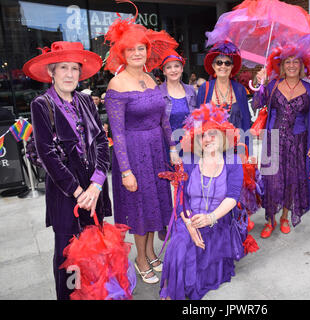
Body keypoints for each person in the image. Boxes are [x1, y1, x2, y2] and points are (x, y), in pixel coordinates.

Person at [23, 41, 111, 299]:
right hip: (65, 196)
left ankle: (93, 294)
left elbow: (103, 143)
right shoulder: (41, 105)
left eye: (75, 68)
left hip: (95, 192)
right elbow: (47, 155)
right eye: (64, 67)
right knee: (70, 257)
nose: (70, 74)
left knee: (94, 251)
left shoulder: (87, 101)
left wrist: (96, 185)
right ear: (52, 71)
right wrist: (78, 192)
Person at [103, 0, 179, 284]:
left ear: (147, 51)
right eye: (131, 49)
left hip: (156, 149)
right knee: (139, 207)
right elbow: (117, 132)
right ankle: (140, 258)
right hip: (133, 152)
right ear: (122, 53)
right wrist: (125, 170)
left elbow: (163, 119)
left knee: (155, 204)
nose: (137, 53)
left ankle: (150, 251)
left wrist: (172, 147)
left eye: (141, 48)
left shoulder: (150, 78)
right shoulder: (116, 84)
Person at [159, 103, 243, 300]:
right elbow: (180, 197)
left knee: (200, 263)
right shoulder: (189, 161)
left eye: (213, 133)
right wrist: (189, 224)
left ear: (222, 135)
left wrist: (210, 218)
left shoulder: (232, 161)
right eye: (203, 135)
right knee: (179, 243)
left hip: (217, 219)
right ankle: (172, 291)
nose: (208, 139)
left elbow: (233, 197)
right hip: (189, 217)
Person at [253, 42, 310, 238]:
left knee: (291, 182)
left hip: (298, 143)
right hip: (273, 140)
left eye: (296, 62)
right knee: (272, 181)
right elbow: (258, 104)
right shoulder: (273, 84)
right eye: (288, 62)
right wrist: (260, 84)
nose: (292, 65)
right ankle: (270, 219)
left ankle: (284, 217)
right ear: (282, 65)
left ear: (301, 65)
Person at [197, 41, 251, 145]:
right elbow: (198, 122)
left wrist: (246, 148)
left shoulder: (240, 90)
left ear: (232, 67)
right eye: (219, 62)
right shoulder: (204, 88)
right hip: (211, 150)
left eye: (227, 63)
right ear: (213, 66)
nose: (223, 66)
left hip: (235, 149)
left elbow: (246, 122)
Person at [158, 50, 197, 140]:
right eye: (169, 67)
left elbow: (197, 119)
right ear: (164, 71)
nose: (173, 70)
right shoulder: (158, 92)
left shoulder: (191, 90)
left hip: (189, 143)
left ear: (182, 69)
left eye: (176, 66)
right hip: (166, 142)